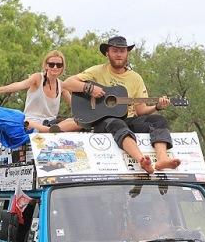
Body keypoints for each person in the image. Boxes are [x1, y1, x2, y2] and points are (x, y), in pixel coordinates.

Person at [62, 36, 181, 174]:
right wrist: (89, 89)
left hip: (129, 119)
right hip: (103, 121)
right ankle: (142, 160)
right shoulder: (97, 71)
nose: (119, 54)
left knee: (158, 120)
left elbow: (140, 110)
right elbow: (67, 83)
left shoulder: (135, 78)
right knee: (116, 123)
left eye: (122, 51)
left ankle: (162, 159)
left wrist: (157, 107)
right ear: (107, 53)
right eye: (115, 50)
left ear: (127, 53)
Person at [0, 50, 80, 133]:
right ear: (46, 65)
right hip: (32, 122)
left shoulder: (62, 86)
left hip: (51, 123)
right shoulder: (37, 78)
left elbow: (76, 107)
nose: (55, 67)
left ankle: (51, 129)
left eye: (59, 65)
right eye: (52, 64)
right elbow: (20, 85)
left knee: (78, 122)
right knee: (26, 122)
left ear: (62, 68)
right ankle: (49, 130)